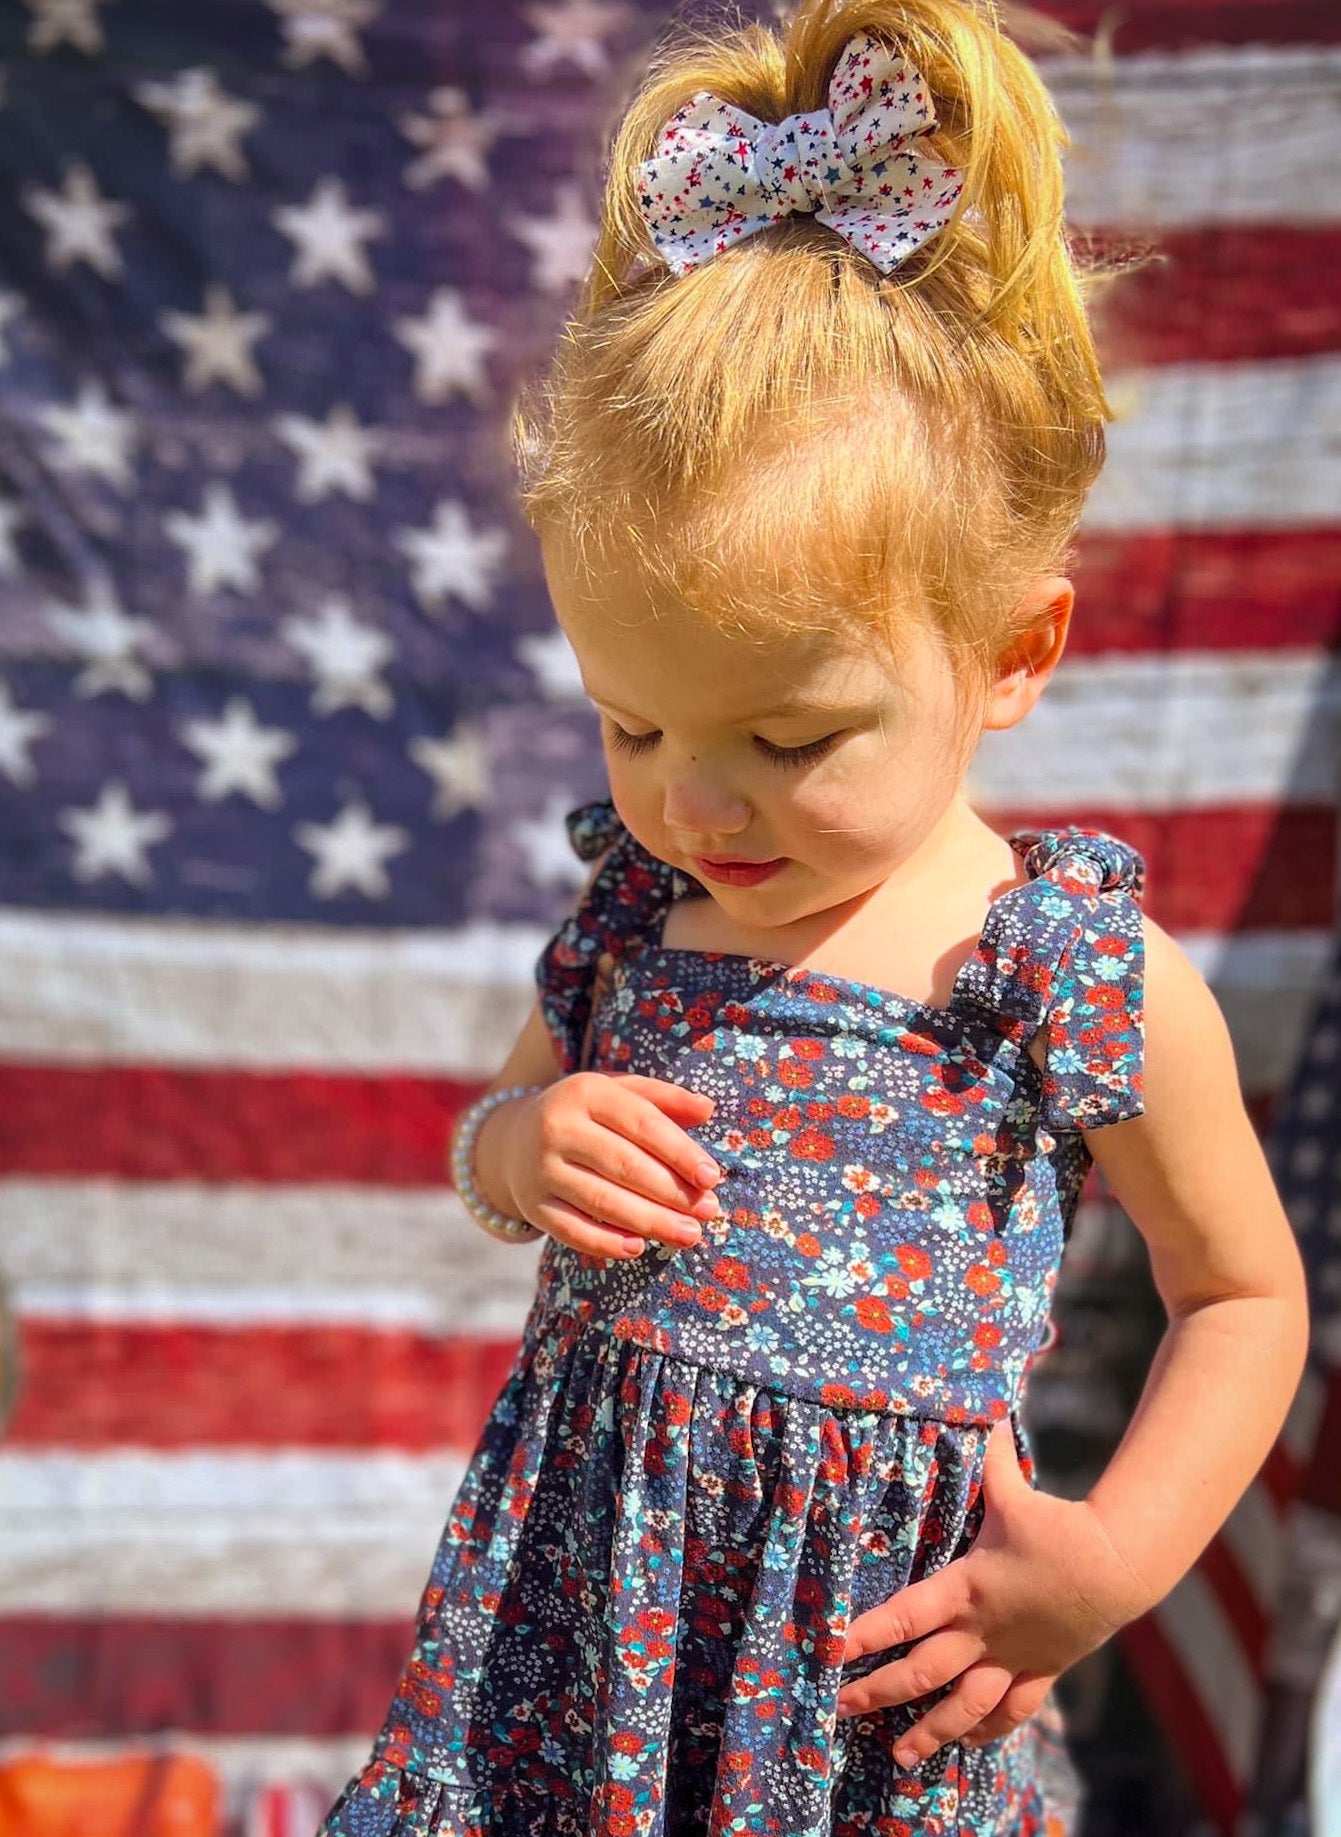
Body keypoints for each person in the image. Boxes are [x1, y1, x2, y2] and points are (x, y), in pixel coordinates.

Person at [317, 1, 1310, 1831]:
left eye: (787, 739)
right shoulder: (640, 911)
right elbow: (494, 1135)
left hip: (857, 1680)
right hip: (581, 1630)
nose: (698, 803)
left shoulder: (1058, 968)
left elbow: (1242, 1293)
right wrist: (520, 1144)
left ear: (1010, 652)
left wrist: (1107, 1562)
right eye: (632, 725)